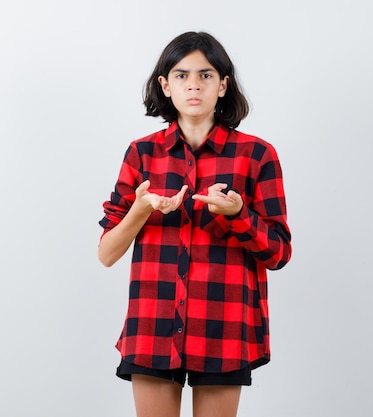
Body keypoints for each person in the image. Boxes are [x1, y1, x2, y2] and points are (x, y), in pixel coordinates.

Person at [97, 31, 292, 417]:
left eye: (205, 75)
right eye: (182, 75)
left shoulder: (257, 155)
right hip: (152, 324)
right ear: (165, 85)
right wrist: (140, 210)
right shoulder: (142, 153)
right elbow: (106, 254)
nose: (194, 85)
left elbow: (279, 253)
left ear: (223, 85)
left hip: (224, 326)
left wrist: (238, 215)